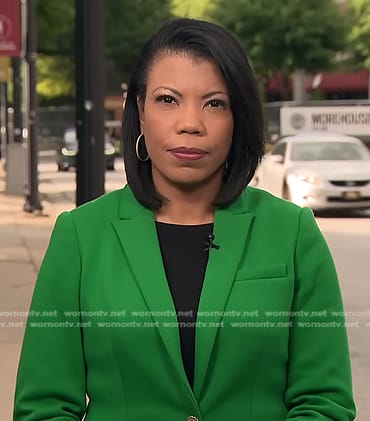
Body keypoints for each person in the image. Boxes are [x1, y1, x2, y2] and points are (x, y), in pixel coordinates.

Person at [14, 18, 356, 421]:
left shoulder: (293, 232)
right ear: (140, 111)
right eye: (168, 99)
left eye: (214, 103)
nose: (190, 123)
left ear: (237, 118)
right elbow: (44, 406)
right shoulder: (81, 236)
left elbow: (325, 403)